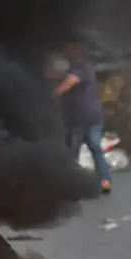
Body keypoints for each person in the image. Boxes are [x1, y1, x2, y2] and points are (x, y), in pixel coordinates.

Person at [52, 39, 112, 194]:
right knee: (95, 149)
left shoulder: (81, 67)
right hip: (92, 117)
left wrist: (54, 94)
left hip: (81, 118)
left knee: (73, 151)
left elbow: (70, 82)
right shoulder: (84, 67)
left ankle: (71, 184)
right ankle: (104, 181)